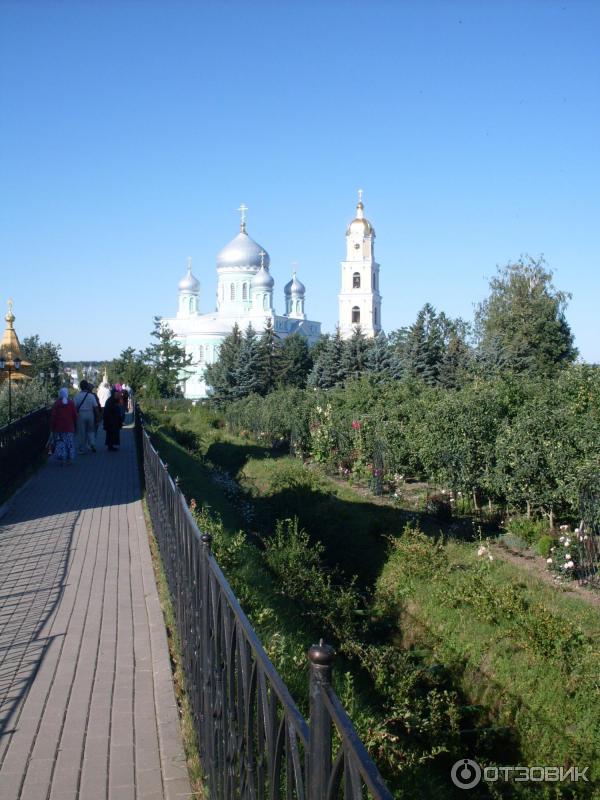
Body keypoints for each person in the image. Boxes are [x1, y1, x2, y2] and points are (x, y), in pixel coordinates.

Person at [50, 387, 77, 465]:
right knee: (70, 443)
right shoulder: (71, 403)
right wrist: (75, 424)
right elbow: (75, 415)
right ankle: (69, 459)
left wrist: (52, 427)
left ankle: (62, 460)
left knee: (61, 443)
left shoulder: (57, 403)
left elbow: (53, 416)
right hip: (69, 427)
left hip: (59, 427)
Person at [74, 380, 100, 454]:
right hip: (90, 414)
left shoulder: (77, 396)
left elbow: (74, 408)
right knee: (91, 431)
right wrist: (97, 417)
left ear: (80, 387)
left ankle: (81, 449)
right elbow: (96, 407)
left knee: (81, 432)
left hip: (81, 415)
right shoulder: (91, 396)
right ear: (87, 387)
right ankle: (92, 444)